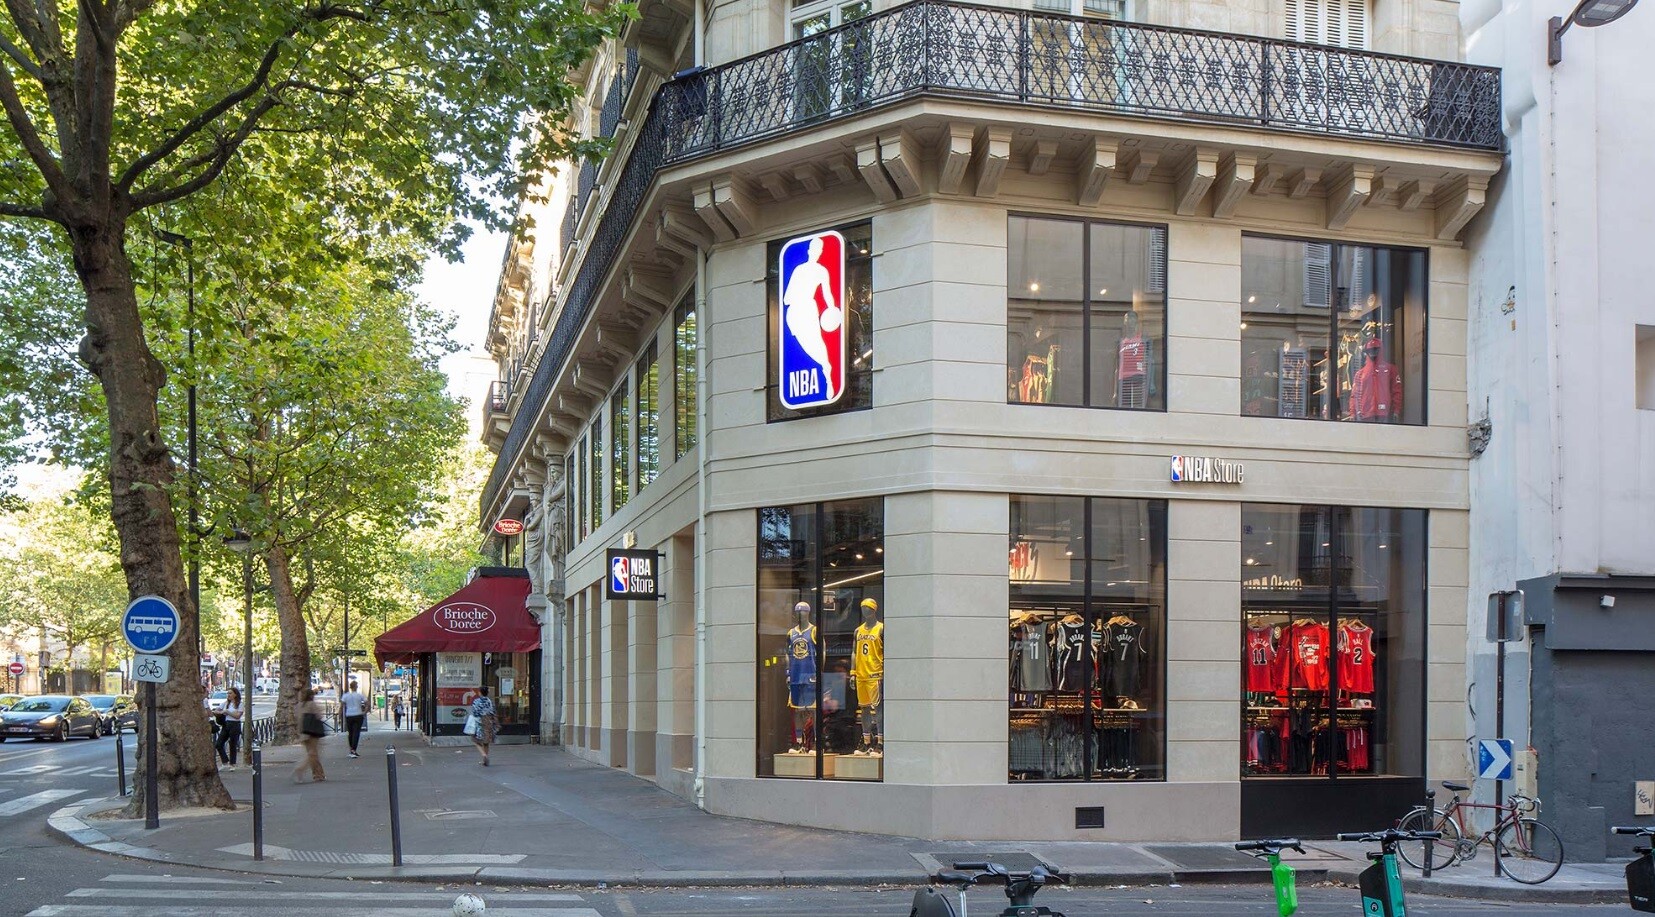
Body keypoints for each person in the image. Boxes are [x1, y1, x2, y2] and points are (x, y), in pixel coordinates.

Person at [293, 686, 326, 783]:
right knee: (312, 754)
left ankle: (319, 774)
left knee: (312, 754)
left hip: (302, 732)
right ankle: (301, 769)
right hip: (313, 732)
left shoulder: (299, 705)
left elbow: (297, 719)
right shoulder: (312, 704)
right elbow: (319, 715)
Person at [214, 687, 244, 770]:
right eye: (228, 693)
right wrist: (221, 712)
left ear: (235, 694)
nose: (228, 695)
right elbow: (216, 710)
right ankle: (225, 761)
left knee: (233, 744)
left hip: (235, 724)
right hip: (226, 724)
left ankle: (232, 764)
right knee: (219, 744)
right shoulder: (225, 703)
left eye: (230, 693)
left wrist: (228, 712)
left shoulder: (239, 704)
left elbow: (238, 716)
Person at [469, 685, 498, 766]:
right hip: (489, 722)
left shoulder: (476, 701)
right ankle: (485, 759)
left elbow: (474, 712)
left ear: (480, 692)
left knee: (475, 740)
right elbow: (493, 712)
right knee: (486, 741)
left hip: (479, 722)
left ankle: (484, 755)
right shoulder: (490, 702)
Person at [341, 680, 367, 758]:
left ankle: (351, 749)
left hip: (349, 715)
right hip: (358, 714)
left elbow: (342, 706)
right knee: (356, 732)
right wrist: (364, 711)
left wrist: (340, 715)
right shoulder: (360, 695)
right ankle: (353, 749)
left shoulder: (345, 696)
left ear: (350, 687)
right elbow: (367, 703)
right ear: (356, 687)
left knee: (351, 732)